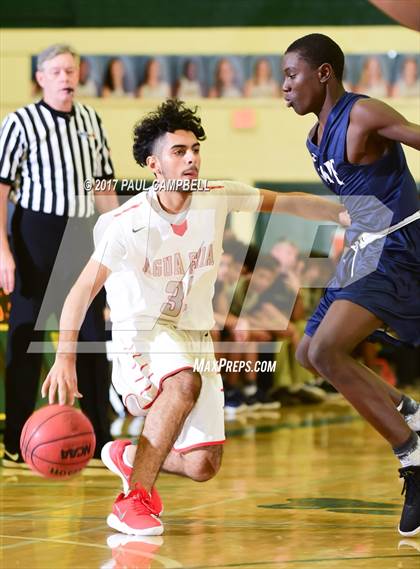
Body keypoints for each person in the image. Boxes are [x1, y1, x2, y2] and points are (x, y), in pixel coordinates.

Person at [41, 98, 349, 536]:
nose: (190, 159)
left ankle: (130, 456)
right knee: (184, 381)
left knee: (204, 464)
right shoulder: (125, 223)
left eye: (194, 150)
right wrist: (64, 358)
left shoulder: (215, 197)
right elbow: (79, 292)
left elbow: (285, 202)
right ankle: (132, 501)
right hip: (141, 334)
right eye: (178, 152)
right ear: (154, 164)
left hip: (193, 336)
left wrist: (343, 212)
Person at [282, 33, 420, 536]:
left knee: (326, 354)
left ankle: (412, 455)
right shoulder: (315, 137)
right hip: (363, 250)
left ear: (323, 73)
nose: (284, 87)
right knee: (308, 352)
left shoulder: (362, 115)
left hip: (399, 249)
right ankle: (408, 410)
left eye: (292, 75)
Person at [0, 44, 119, 467]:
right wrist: (4, 251)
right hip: (34, 234)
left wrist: (118, 240)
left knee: (90, 340)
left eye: (71, 69)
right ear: (41, 77)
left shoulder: (90, 120)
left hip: (84, 235)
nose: (66, 76)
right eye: (57, 71)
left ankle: (100, 438)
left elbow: (104, 185)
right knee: (27, 338)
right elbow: (1, 188)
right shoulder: (19, 122)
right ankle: (15, 439)